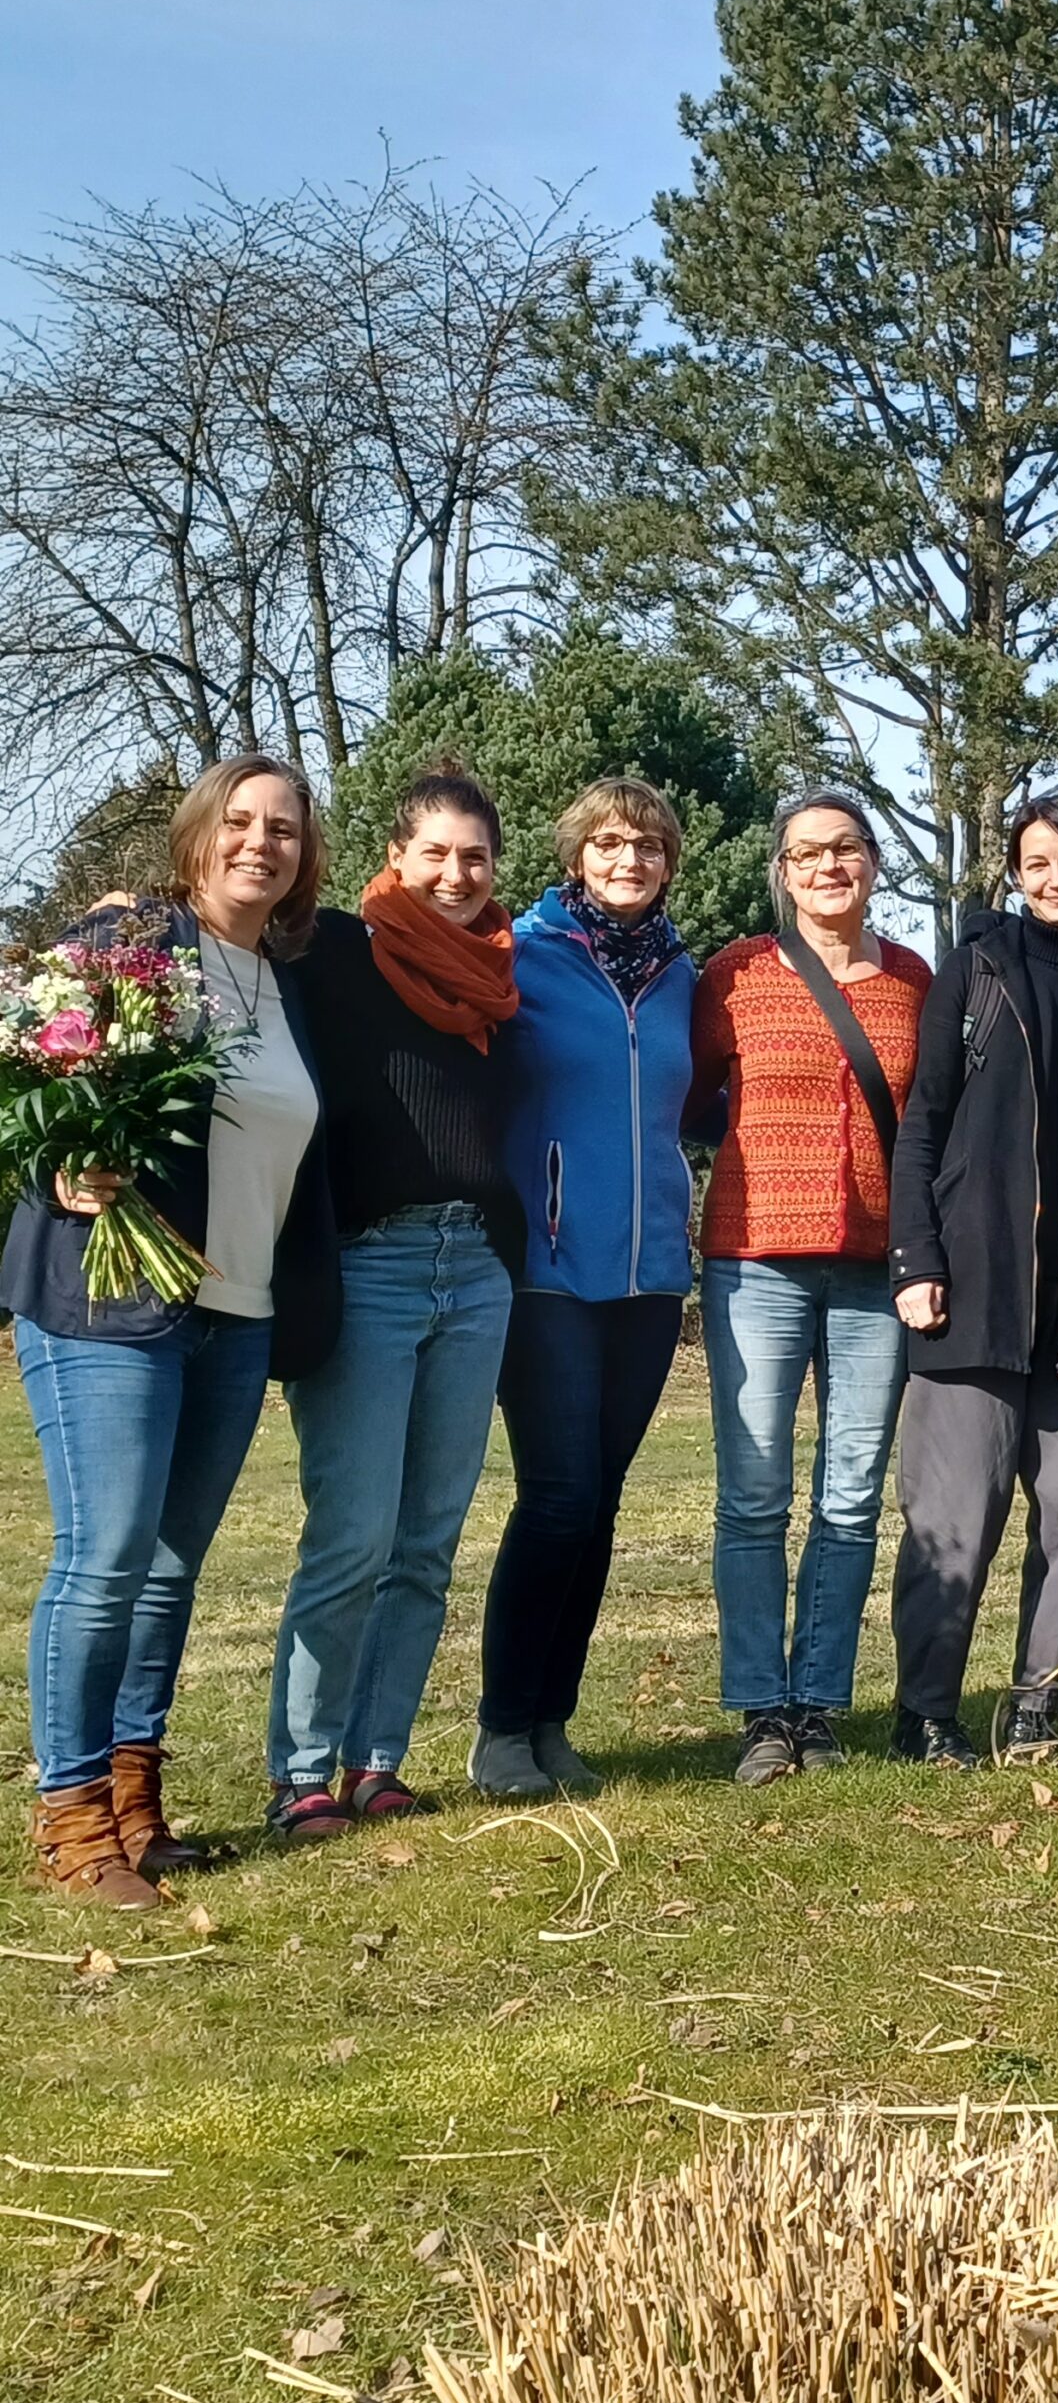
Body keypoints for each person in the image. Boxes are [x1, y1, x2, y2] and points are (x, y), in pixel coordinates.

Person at [7, 757, 338, 1904]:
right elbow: (34, 1062)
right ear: (198, 833)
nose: (261, 843)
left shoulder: (284, 977)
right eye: (240, 822)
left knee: (166, 1572)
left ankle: (137, 1802)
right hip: (108, 1301)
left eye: (284, 830)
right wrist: (58, 1162)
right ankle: (70, 1815)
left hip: (234, 1314)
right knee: (102, 1561)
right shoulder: (130, 941)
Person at [267, 767, 522, 1838]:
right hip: (369, 1267)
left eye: (474, 856)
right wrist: (118, 920)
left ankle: (379, 1758)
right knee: (353, 1535)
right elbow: (208, 921)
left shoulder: (500, 980)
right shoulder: (331, 948)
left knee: (428, 1538)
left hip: (475, 1275)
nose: (456, 875)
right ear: (398, 854)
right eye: (436, 853)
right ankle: (303, 1770)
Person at [889, 793, 1058, 1765]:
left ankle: (1036, 1705)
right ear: (1016, 873)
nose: (1057, 878)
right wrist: (917, 1257)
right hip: (973, 1290)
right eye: (1037, 862)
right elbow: (923, 1122)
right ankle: (927, 1711)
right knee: (952, 1518)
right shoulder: (977, 968)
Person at [690, 792, 930, 1785]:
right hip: (753, 1259)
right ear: (782, 873)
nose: (827, 866)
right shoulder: (735, 974)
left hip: (878, 1268)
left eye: (845, 848)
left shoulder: (913, 979)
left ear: (873, 863)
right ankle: (759, 1710)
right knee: (753, 1494)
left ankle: (820, 1704)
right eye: (805, 853)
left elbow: (933, 1119)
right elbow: (689, 1092)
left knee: (850, 1493)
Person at [471, 780, 697, 1801]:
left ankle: (553, 1721)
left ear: (667, 862)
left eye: (646, 844)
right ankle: (500, 1728)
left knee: (599, 1504)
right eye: (608, 842)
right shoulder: (520, 955)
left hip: (649, 1282)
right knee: (557, 1497)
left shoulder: (683, 975)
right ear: (576, 855)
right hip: (548, 1274)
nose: (627, 859)